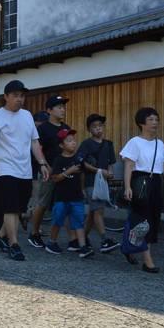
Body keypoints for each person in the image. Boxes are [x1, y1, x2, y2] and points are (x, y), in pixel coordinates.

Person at [0, 80, 50, 261]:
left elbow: (34, 142)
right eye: (15, 96)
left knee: (19, 208)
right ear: (6, 97)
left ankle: (1, 235)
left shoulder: (27, 116)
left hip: (25, 169)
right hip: (4, 169)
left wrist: (42, 163)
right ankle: (14, 244)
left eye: (22, 96)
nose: (20, 99)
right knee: (10, 208)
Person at [121, 107, 164, 273]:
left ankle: (128, 247)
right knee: (143, 220)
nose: (155, 123)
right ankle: (148, 262)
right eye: (151, 119)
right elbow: (128, 165)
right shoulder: (134, 142)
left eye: (156, 119)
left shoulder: (160, 144)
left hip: (155, 182)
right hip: (139, 181)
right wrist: (127, 186)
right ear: (142, 123)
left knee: (153, 219)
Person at [28, 96, 71, 248]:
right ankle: (34, 233)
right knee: (43, 203)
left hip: (65, 171)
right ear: (49, 110)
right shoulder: (43, 128)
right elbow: (38, 149)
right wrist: (45, 165)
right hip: (48, 171)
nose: (62, 109)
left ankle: (73, 239)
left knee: (65, 204)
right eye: (59, 107)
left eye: (63, 107)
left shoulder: (66, 128)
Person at [47, 129, 94, 258]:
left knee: (78, 221)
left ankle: (82, 246)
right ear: (61, 145)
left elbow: (82, 174)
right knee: (58, 220)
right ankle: (52, 242)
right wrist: (69, 171)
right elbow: (55, 178)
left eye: (74, 140)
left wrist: (82, 188)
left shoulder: (78, 158)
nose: (73, 143)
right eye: (69, 141)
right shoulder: (59, 160)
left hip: (77, 196)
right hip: (61, 197)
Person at [80, 113, 120, 253]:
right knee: (98, 210)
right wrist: (99, 170)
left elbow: (111, 163)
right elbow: (82, 163)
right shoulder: (86, 144)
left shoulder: (108, 144)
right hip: (91, 182)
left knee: (93, 212)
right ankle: (104, 240)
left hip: (104, 183)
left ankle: (82, 239)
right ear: (89, 129)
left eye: (100, 126)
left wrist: (109, 173)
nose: (98, 129)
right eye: (94, 127)